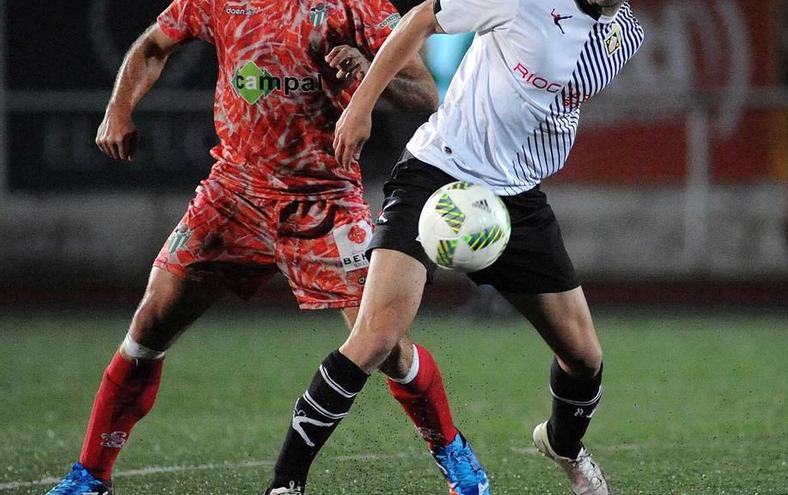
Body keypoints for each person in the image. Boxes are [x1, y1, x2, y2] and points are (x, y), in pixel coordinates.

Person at [44, 1, 491, 494]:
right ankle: (90, 476)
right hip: (234, 192)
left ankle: (453, 451)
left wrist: (370, 76)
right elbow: (153, 44)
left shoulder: (355, 7)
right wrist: (119, 107)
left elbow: (425, 92)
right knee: (150, 325)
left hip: (325, 201)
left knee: (384, 345)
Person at [269, 0, 645, 494]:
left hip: (517, 199)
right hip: (437, 174)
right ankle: (286, 482)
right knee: (377, 336)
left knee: (584, 358)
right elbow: (423, 16)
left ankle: (564, 446)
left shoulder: (625, 32)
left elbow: (549, 98)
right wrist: (362, 103)